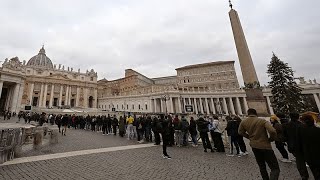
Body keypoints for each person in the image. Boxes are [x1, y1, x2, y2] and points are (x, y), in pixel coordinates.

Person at [238, 108, 279, 180]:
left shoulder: (244, 122)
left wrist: (249, 137)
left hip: (254, 146)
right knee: (274, 168)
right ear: (256, 113)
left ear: (248, 114)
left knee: (262, 166)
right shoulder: (262, 121)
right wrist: (271, 139)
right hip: (265, 146)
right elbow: (272, 131)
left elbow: (240, 132)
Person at [283, 112, 309, 180]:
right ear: (298, 117)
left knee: (300, 161)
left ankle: (304, 175)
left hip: (293, 146)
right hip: (304, 145)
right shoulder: (302, 125)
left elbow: (284, 137)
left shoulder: (286, 125)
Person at [299, 114, 320, 180]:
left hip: (310, 157)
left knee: (316, 174)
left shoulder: (301, 132)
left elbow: (300, 145)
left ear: (304, 122)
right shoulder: (318, 130)